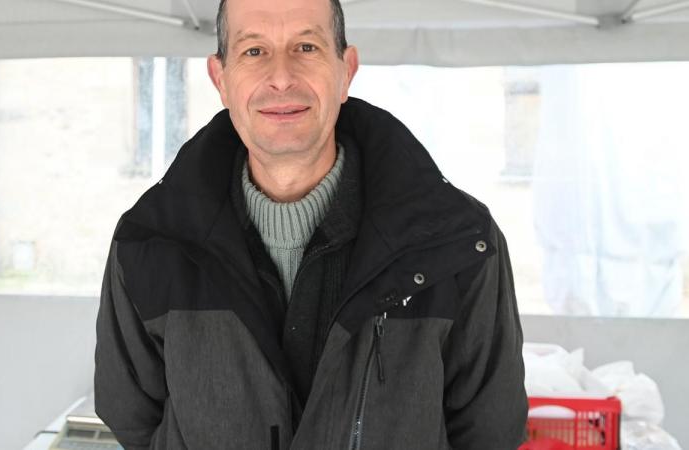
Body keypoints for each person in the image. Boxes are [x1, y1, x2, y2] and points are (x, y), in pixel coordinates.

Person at [94, 0, 528, 448]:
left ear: (346, 70)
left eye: (305, 46)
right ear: (220, 79)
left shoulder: (459, 244)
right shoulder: (149, 244)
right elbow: (132, 420)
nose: (281, 77)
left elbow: (489, 431)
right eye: (254, 51)